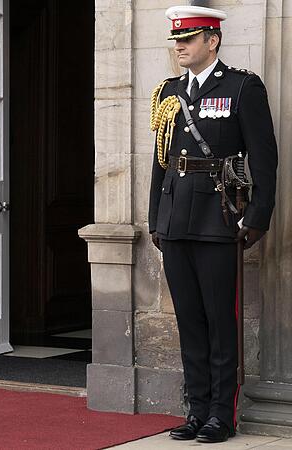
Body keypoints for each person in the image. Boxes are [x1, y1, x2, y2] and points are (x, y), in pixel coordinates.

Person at [148, 5, 277, 444]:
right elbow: (161, 162)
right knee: (189, 321)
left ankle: (222, 414)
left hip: (218, 219)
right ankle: (196, 410)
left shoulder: (242, 87)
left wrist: (257, 216)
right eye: (177, 40)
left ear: (212, 40)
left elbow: (264, 156)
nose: (180, 47)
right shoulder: (169, 91)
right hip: (175, 219)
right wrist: (155, 218)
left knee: (221, 321)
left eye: (188, 39)